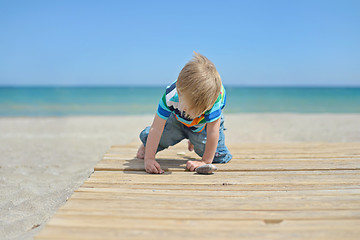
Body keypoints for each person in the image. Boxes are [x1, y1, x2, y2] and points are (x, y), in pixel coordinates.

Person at [137, 52, 232, 174]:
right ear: (179, 93)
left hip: (203, 127)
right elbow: (156, 128)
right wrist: (149, 159)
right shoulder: (171, 96)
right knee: (160, 137)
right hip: (177, 120)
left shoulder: (213, 100)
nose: (191, 115)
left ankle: (193, 139)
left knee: (218, 156)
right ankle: (146, 144)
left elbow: (213, 132)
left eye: (197, 112)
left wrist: (205, 161)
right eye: (188, 109)